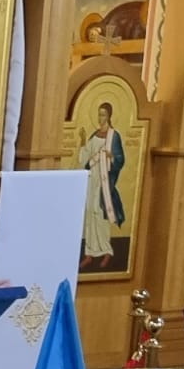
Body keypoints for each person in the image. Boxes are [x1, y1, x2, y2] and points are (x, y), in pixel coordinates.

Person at [78, 100, 126, 270]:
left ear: (109, 116)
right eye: (99, 115)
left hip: (104, 184)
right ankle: (89, 253)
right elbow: (85, 158)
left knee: (100, 215)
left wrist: (111, 157)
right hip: (92, 181)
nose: (100, 118)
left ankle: (106, 251)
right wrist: (83, 141)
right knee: (90, 213)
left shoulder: (114, 136)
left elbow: (120, 159)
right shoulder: (95, 135)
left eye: (103, 115)